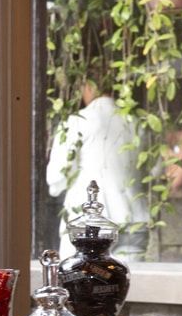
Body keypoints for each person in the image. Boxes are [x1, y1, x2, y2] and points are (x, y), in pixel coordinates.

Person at [46, 78, 151, 259]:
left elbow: (56, 178)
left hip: (89, 224)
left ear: (87, 86)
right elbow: (151, 172)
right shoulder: (136, 122)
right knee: (132, 283)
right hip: (133, 219)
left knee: (79, 281)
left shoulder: (76, 122)